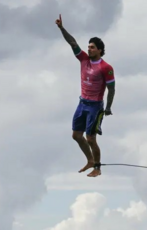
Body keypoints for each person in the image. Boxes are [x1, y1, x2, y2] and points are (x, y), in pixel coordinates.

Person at [55, 14, 116, 177]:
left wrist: (108, 107)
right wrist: (62, 28)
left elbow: (112, 88)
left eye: (92, 47)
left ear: (100, 50)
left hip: (95, 106)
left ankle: (97, 167)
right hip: (82, 103)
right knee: (76, 135)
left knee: (90, 138)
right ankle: (89, 160)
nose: (89, 49)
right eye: (88, 47)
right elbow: (72, 42)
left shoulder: (106, 67)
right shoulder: (83, 59)